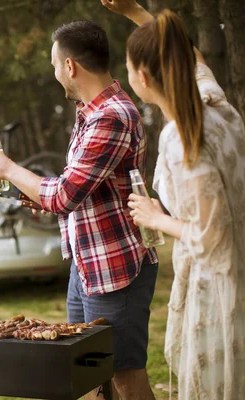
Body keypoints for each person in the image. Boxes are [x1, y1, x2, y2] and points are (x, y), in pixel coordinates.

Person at [0, 20, 158, 399]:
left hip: (116, 272)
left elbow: (64, 194)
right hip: (87, 266)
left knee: (124, 377)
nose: (52, 72)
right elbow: (81, 192)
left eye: (53, 64)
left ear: (70, 66)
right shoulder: (89, 113)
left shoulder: (111, 116)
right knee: (87, 373)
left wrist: (9, 168)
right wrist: (36, 196)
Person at [101, 0, 245, 398]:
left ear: (142, 77)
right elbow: (191, 56)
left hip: (218, 292)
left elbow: (210, 234)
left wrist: (154, 217)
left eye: (127, 68)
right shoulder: (219, 108)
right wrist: (134, 11)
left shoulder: (182, 136)